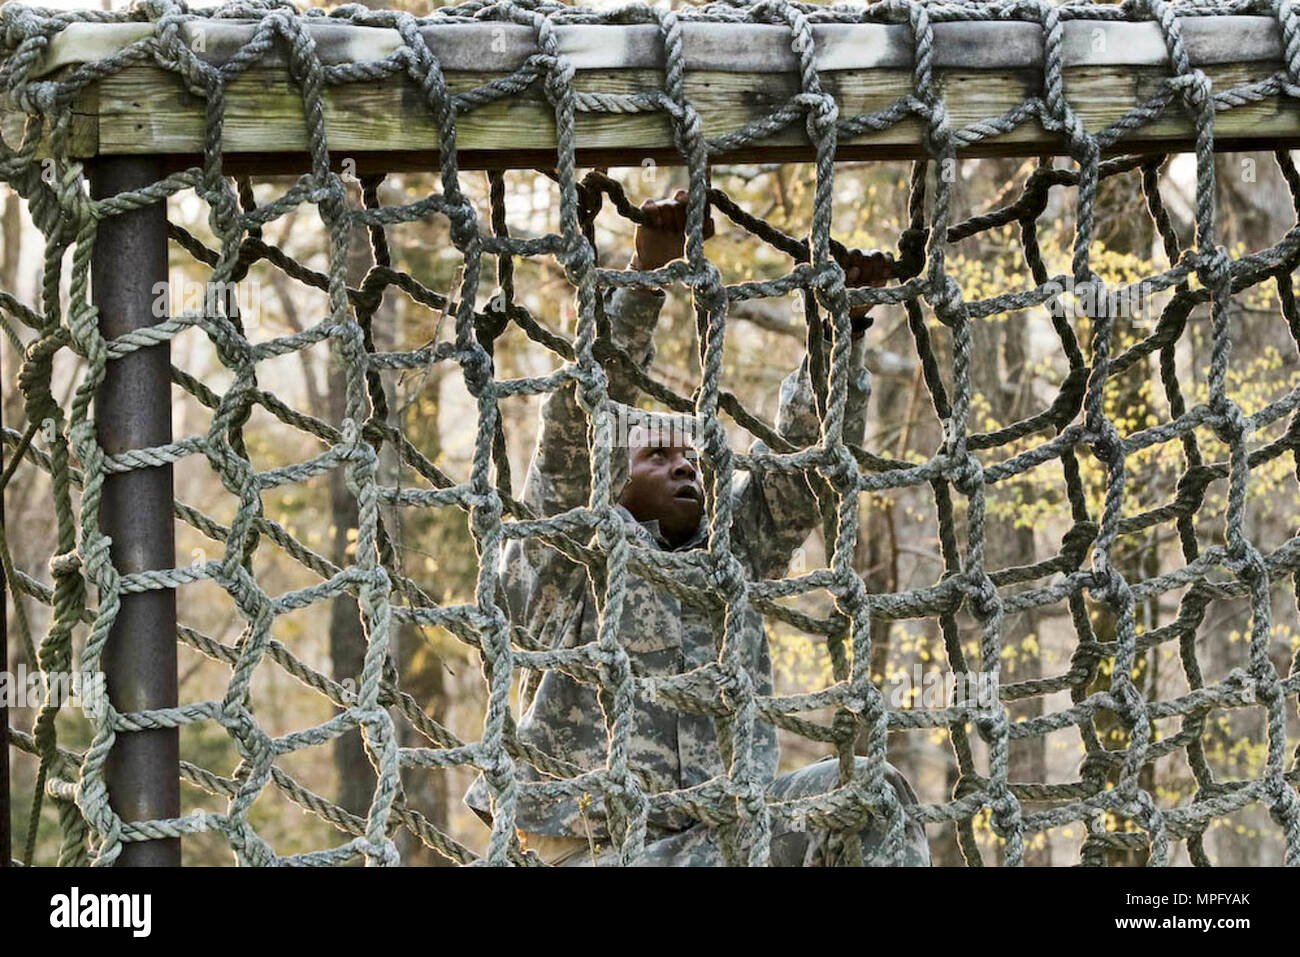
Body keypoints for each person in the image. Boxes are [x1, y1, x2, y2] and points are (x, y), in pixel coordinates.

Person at [465, 188, 930, 867]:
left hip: (713, 844)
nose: (685, 466)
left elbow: (802, 472)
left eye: (692, 457)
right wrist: (650, 269)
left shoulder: (728, 563)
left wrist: (841, 331)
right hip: (589, 852)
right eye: (657, 455)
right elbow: (578, 419)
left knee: (868, 789)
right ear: (610, 480)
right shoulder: (570, 553)